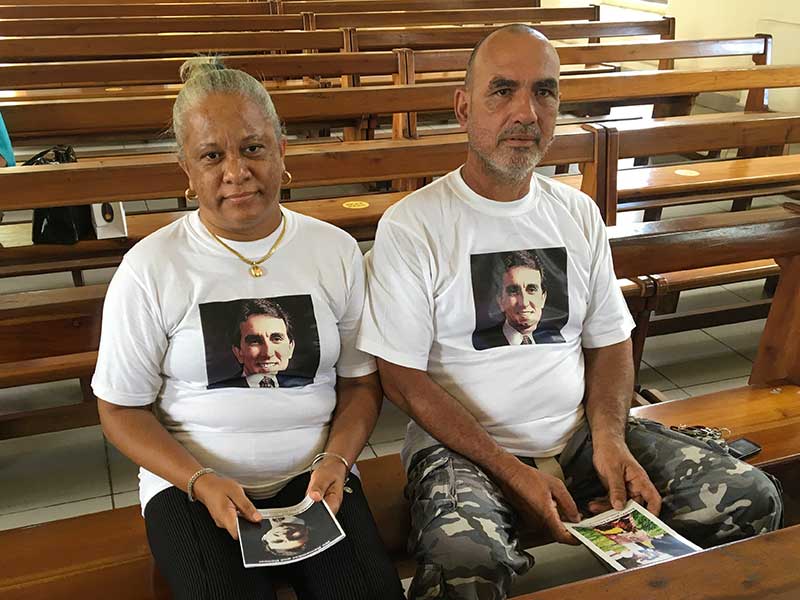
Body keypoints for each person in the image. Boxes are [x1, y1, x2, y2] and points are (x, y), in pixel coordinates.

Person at [357, 24, 783, 600]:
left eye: (545, 92)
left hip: (580, 432)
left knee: (749, 498)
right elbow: (402, 379)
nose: (526, 112)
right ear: (463, 108)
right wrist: (513, 471)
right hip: (465, 450)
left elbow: (610, 342)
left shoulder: (576, 213)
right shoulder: (414, 226)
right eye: (502, 91)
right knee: (464, 565)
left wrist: (610, 438)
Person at [92, 57, 404, 600]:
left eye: (253, 147)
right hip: (192, 486)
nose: (235, 171)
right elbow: (120, 409)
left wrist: (337, 459)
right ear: (187, 171)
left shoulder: (334, 252)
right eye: (212, 155)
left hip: (317, 479)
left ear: (282, 150)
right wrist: (198, 479)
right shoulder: (151, 268)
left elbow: (358, 383)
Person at [209, 298, 312, 389]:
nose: (268, 353)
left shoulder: (308, 387)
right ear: (238, 352)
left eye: (276, 339)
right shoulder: (219, 391)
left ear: (291, 348)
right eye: (255, 341)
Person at [473, 249, 565, 349]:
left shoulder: (557, 341)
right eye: (513, 291)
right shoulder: (481, 344)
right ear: (500, 301)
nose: (524, 303)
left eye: (531, 289)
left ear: (543, 298)